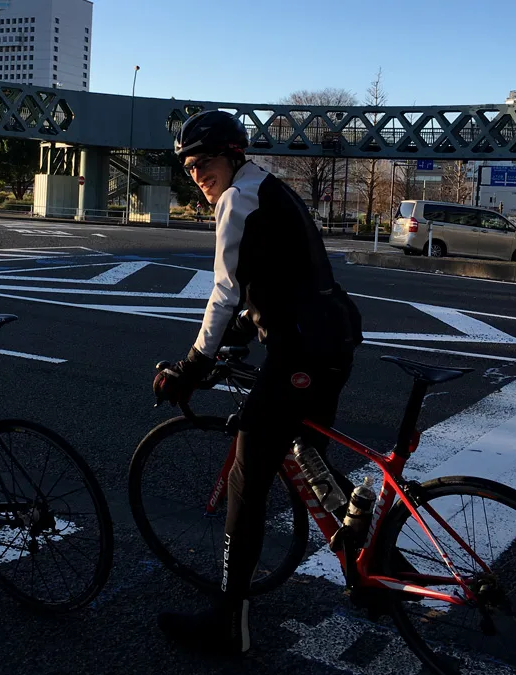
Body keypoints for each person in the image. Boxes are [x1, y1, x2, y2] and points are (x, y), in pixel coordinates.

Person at [152, 110, 363, 657]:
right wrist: (246, 330)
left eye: (204, 162)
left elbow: (224, 292)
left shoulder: (237, 199)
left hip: (301, 353)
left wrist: (191, 366)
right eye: (189, 168)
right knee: (310, 464)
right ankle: (376, 568)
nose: (198, 175)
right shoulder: (270, 188)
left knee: (247, 478)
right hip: (333, 339)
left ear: (232, 154)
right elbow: (277, 279)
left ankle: (228, 623)